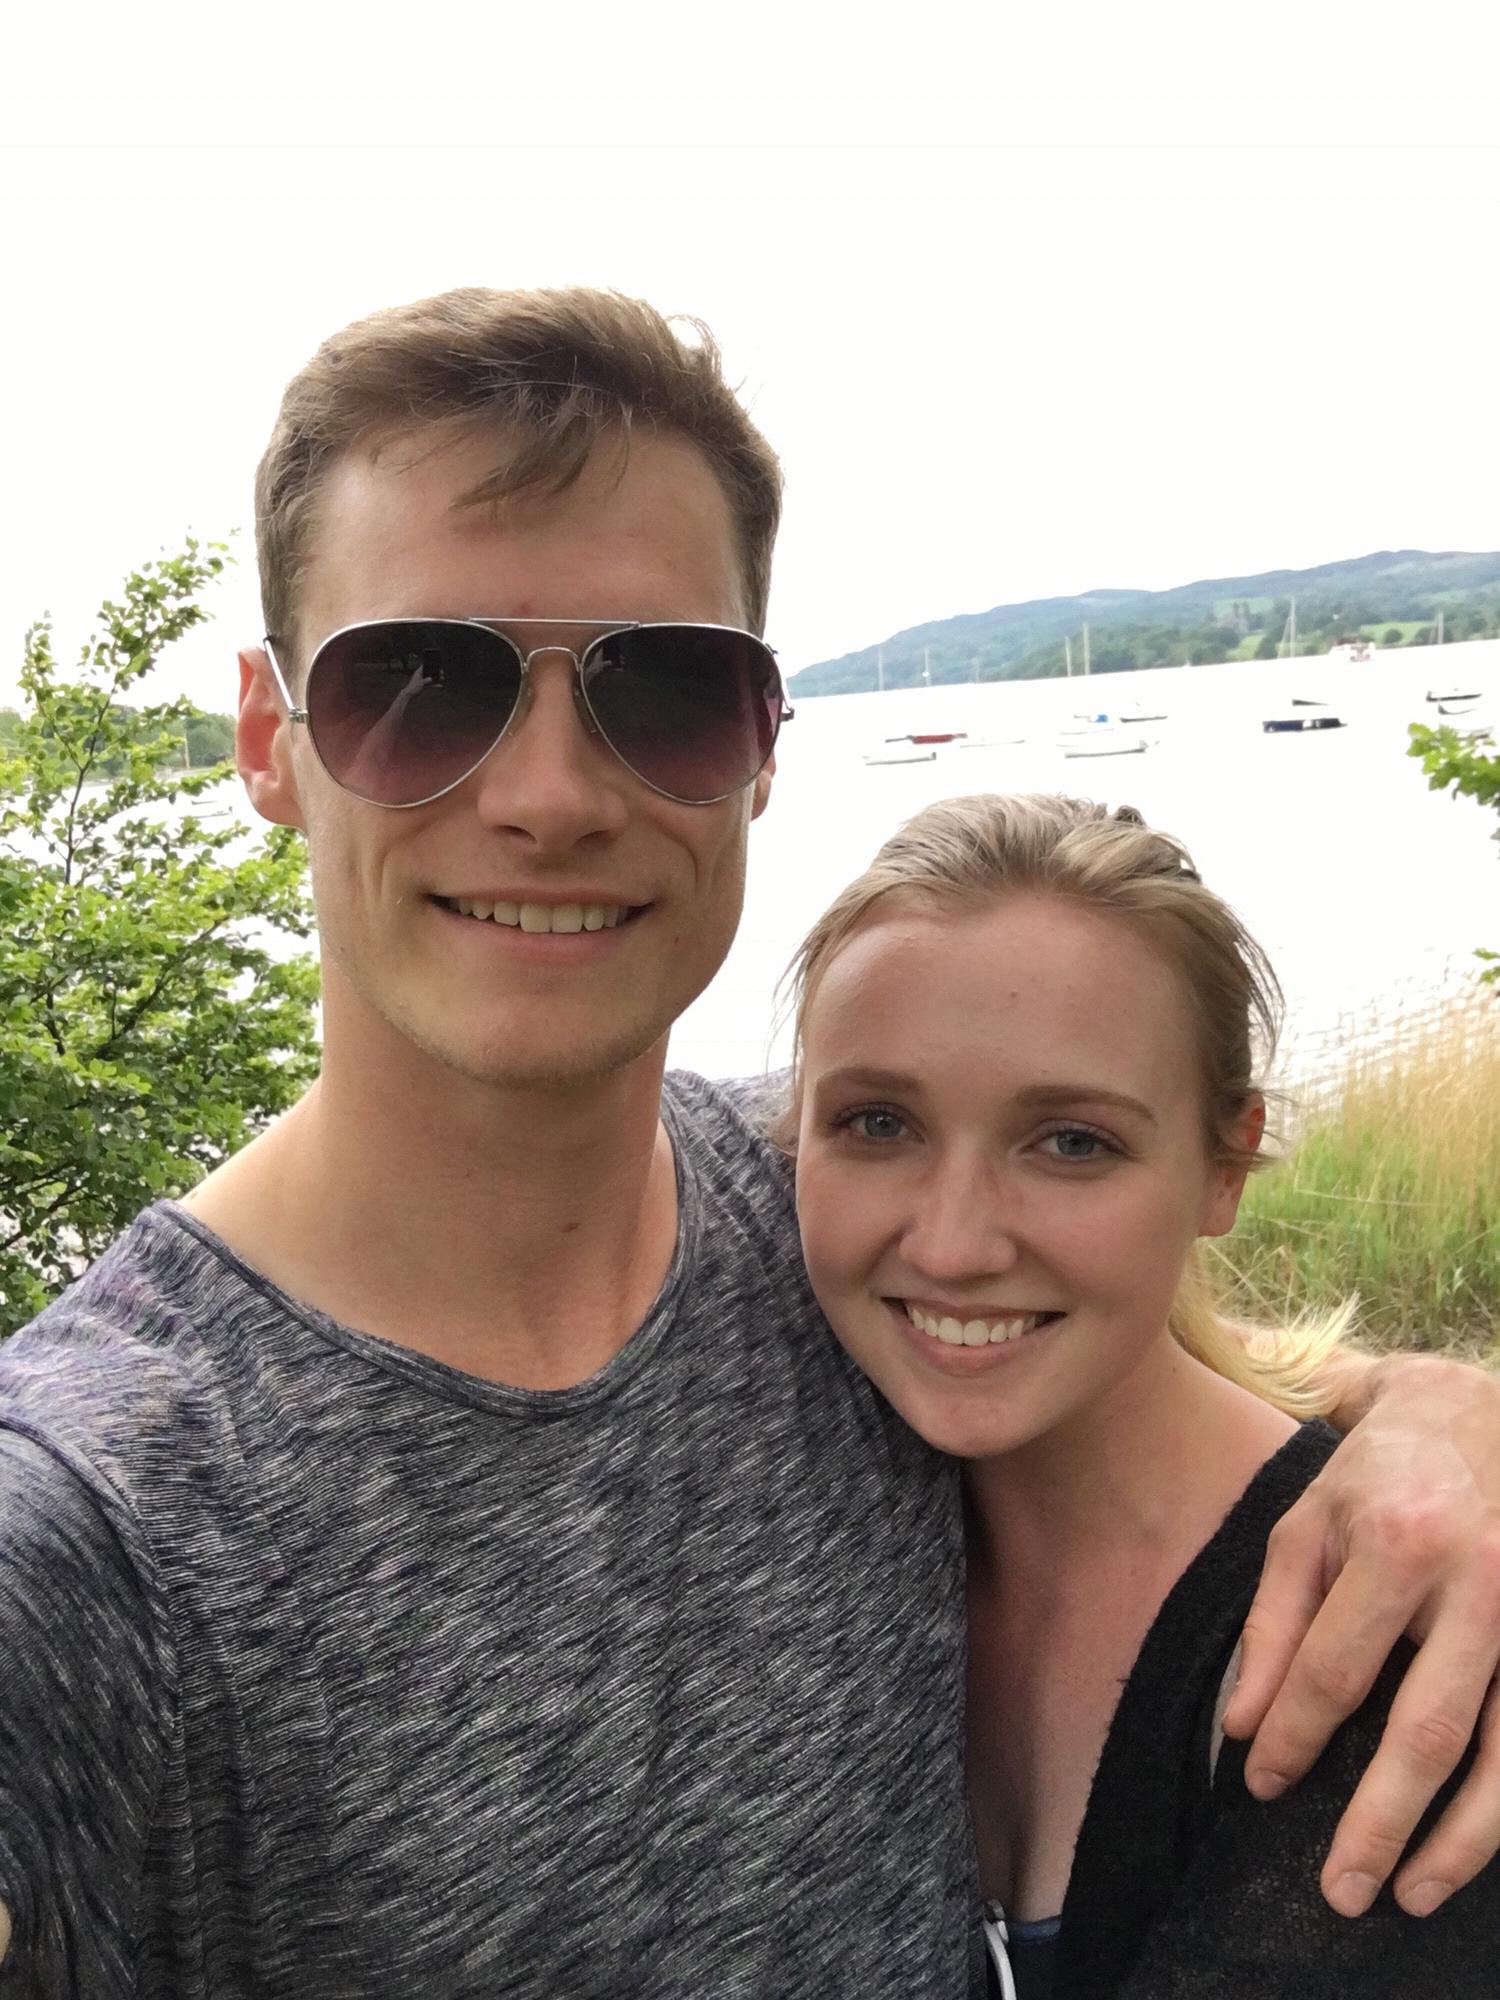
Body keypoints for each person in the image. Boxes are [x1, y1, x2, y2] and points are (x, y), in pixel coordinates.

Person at [0, 289, 1498, 1994]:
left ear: (763, 746)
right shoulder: (98, 1520)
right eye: (420, 684)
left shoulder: (835, 1229)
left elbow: (1156, 1383)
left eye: (664, 691)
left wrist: (1442, 1428)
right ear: (273, 743)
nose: (553, 796)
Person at [787, 791, 1498, 1996]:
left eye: (1072, 1141)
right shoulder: (798, 1441)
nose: (953, 1242)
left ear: (1225, 1166)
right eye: (877, 1120)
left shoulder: (1377, 1649)